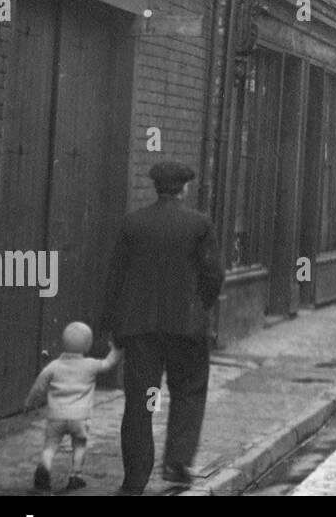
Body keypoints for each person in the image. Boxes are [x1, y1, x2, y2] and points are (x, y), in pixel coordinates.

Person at [100, 161, 224, 495]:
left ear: (157, 188)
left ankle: (134, 480)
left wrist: (113, 325)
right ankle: (177, 461)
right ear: (184, 189)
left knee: (141, 400)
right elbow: (214, 274)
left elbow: (116, 276)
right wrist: (201, 308)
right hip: (185, 329)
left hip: (141, 329)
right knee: (187, 390)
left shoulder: (134, 223)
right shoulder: (199, 224)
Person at [25, 321, 122, 493]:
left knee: (50, 446)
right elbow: (108, 363)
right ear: (87, 345)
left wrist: (29, 403)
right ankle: (75, 476)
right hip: (80, 417)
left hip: (56, 416)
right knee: (79, 444)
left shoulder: (53, 366)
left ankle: (43, 472)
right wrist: (115, 349)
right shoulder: (90, 365)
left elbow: (38, 387)